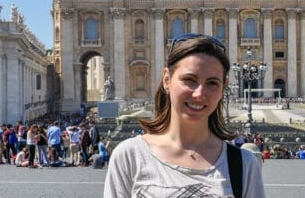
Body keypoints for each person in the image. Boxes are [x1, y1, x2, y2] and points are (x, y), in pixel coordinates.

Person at [104, 33, 264, 198]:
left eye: (212, 83)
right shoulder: (130, 156)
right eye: (189, 80)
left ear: (224, 88)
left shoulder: (244, 164)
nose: (199, 94)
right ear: (167, 80)